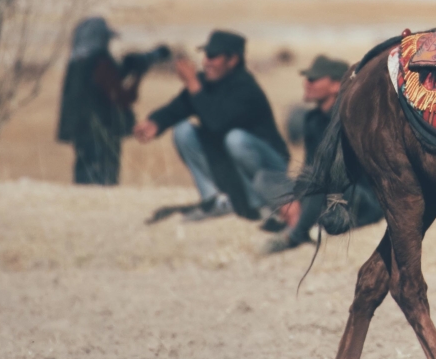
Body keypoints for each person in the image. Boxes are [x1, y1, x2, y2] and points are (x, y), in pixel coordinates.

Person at [133, 29, 290, 224]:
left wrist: (191, 82)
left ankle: (264, 206)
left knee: (235, 139)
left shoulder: (246, 88)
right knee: (183, 130)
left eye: (213, 56)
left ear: (232, 60)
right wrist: (156, 122)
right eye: (205, 55)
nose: (205, 61)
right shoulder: (204, 83)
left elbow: (218, 123)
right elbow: (178, 107)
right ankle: (215, 201)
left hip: (270, 169)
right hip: (236, 169)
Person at [263, 54, 382, 252]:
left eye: (313, 79)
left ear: (336, 86)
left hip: (360, 199)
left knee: (319, 177)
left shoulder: (352, 119)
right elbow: (309, 166)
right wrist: (293, 199)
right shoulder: (312, 120)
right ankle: (298, 218)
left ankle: (295, 234)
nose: (306, 83)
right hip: (324, 193)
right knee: (264, 177)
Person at [57, 17, 138, 186]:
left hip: (80, 130)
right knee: (104, 173)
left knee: (84, 168)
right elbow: (121, 96)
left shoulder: (75, 63)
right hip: (103, 128)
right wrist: (137, 76)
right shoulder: (100, 62)